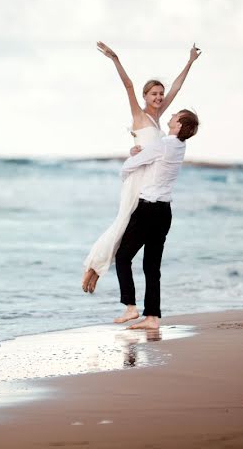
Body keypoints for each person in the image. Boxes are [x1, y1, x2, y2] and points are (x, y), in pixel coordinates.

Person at [81, 42, 201, 294]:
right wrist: (115, 59)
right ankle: (93, 268)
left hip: (151, 182)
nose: (158, 97)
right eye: (153, 94)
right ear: (145, 97)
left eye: (160, 93)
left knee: (127, 229)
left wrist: (190, 62)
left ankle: (96, 269)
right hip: (137, 179)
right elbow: (128, 85)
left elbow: (177, 88)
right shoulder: (139, 114)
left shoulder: (160, 119)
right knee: (122, 223)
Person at [113, 109, 199, 330]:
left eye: (175, 116)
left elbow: (129, 166)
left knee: (123, 257)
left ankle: (130, 307)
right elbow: (151, 159)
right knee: (152, 266)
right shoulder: (180, 146)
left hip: (147, 210)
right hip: (164, 213)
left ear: (178, 125)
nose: (170, 116)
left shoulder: (163, 144)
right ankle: (152, 317)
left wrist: (127, 182)